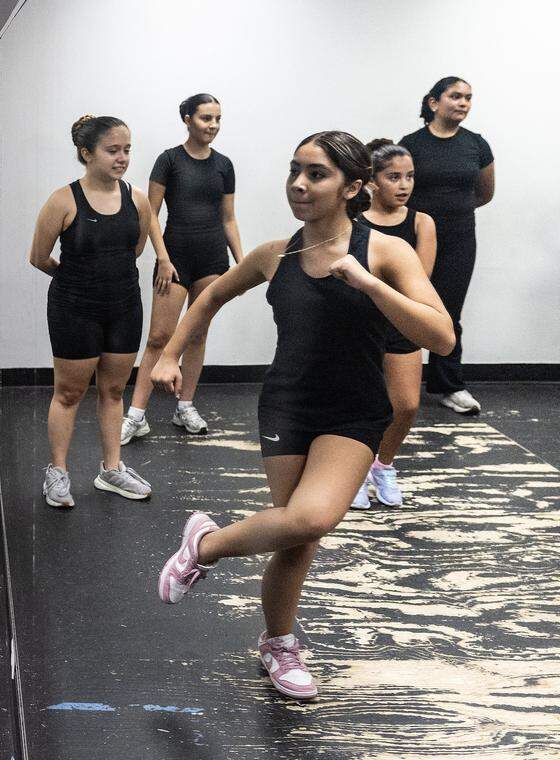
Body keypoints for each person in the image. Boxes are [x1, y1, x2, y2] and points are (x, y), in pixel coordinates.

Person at [153, 131, 454, 700]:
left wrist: (368, 283)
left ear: (353, 187)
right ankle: (278, 643)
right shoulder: (275, 255)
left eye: (316, 174)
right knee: (295, 539)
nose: (298, 184)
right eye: (295, 170)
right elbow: (211, 295)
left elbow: (440, 335)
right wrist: (170, 353)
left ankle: (204, 546)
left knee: (311, 518)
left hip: (355, 410)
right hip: (288, 404)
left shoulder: (386, 251)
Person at [30, 115, 163, 508]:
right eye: (112, 150)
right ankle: (58, 472)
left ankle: (111, 469)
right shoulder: (62, 200)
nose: (122, 158)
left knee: (112, 390)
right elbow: (39, 257)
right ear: (87, 153)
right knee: (69, 392)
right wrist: (77, 279)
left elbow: (135, 250)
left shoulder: (137, 199)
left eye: (127, 150)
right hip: (74, 307)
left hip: (123, 306)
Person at [124, 94, 244, 444]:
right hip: (174, 259)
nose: (213, 126)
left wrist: (243, 263)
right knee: (159, 337)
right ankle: (136, 415)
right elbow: (150, 215)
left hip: (211, 260)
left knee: (197, 334)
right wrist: (162, 258)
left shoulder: (224, 165)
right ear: (188, 119)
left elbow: (229, 218)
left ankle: (185, 406)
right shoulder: (169, 160)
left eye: (218, 119)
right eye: (206, 118)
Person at [400, 76, 494, 414]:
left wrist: (452, 213)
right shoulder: (411, 144)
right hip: (413, 239)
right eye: (455, 96)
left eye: (468, 97)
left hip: (459, 240)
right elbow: (397, 188)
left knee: (448, 313)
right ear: (433, 102)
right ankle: (398, 382)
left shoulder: (477, 145)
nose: (463, 103)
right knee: (406, 308)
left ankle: (448, 386)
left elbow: (483, 194)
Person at [351, 140, 436, 509]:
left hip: (400, 323)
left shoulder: (421, 222)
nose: (404, 185)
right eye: (394, 177)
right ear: (372, 181)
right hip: (359, 323)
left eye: (410, 176)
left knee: (405, 405)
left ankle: (382, 465)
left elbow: (418, 281)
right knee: (358, 403)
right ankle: (351, 472)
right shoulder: (354, 222)